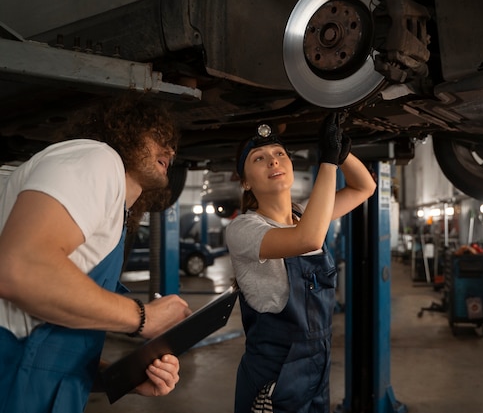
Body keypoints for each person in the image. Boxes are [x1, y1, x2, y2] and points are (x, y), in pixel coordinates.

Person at [0, 95, 193, 412]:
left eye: (173, 144)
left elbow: (55, 340)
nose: (170, 150)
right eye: (159, 137)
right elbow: (18, 269)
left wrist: (121, 377)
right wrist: (143, 318)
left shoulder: (117, 211)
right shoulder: (97, 158)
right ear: (124, 132)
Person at [225, 113, 377, 413]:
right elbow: (308, 239)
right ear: (245, 182)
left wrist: (343, 154)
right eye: (259, 158)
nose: (273, 161)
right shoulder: (243, 229)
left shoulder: (303, 216)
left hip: (314, 370)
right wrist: (329, 161)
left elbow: (364, 188)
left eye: (280, 154)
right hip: (274, 378)